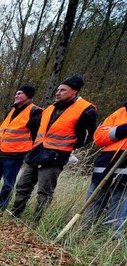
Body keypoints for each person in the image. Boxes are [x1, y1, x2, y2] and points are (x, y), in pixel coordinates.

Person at [10, 75, 97, 220]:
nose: (58, 92)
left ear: (74, 91)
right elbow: (37, 129)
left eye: (63, 90)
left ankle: (36, 221)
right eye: (58, 90)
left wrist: (70, 148)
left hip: (56, 156)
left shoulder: (86, 109)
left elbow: (89, 136)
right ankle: (15, 213)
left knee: (44, 191)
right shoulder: (49, 109)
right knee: (22, 185)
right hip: (36, 152)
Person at [0, 86, 42, 210]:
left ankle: (1, 207)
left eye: (20, 93)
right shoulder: (11, 111)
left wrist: (30, 152)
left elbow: (37, 135)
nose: (16, 95)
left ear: (28, 96)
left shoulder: (35, 112)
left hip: (15, 154)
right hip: (0, 151)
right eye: (16, 93)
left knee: (8, 183)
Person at [83, 101, 127, 234]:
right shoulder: (120, 113)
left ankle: (107, 244)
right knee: (91, 209)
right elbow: (98, 138)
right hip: (104, 169)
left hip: (125, 177)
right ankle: (81, 237)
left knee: (116, 215)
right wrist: (123, 129)